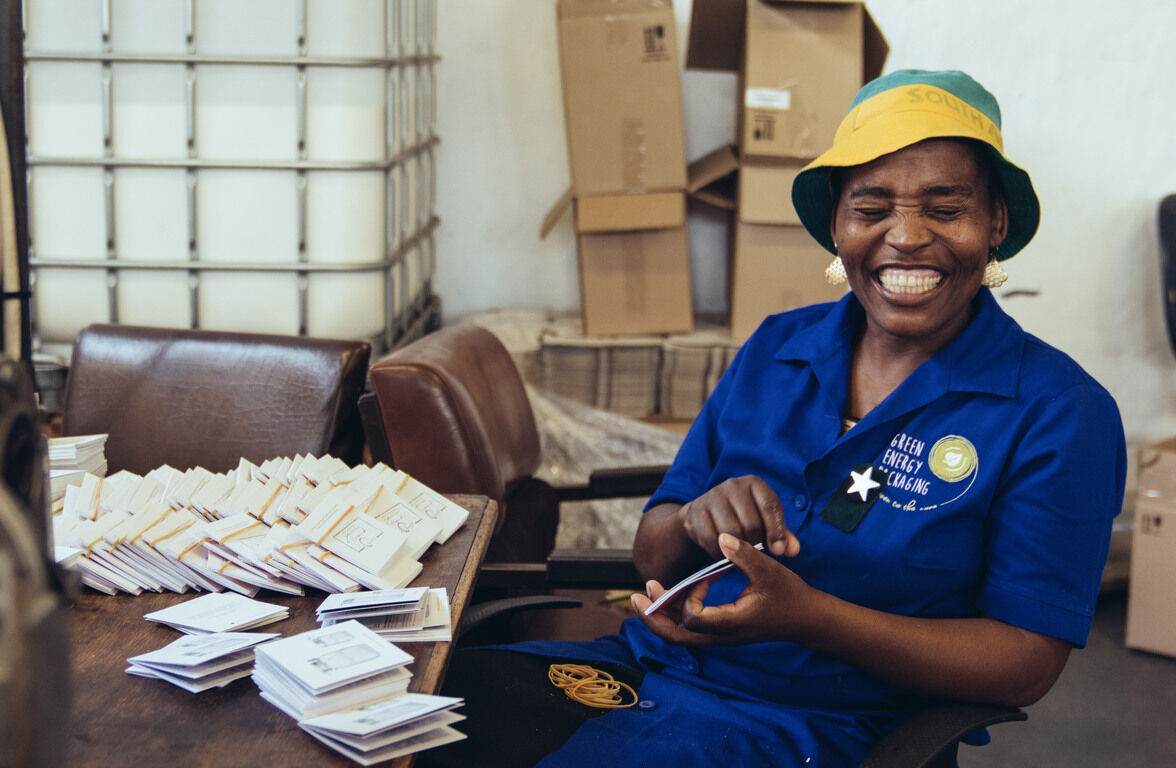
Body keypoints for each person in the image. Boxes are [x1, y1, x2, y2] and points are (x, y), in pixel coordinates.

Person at [421, 69, 1126, 768]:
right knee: (400, 723)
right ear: (836, 227)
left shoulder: (1059, 412)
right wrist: (698, 516)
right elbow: (653, 550)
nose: (905, 236)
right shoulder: (777, 348)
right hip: (642, 673)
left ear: (995, 223)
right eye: (871, 207)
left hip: (818, 727)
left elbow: (1025, 663)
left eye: (945, 208)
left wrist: (812, 619)